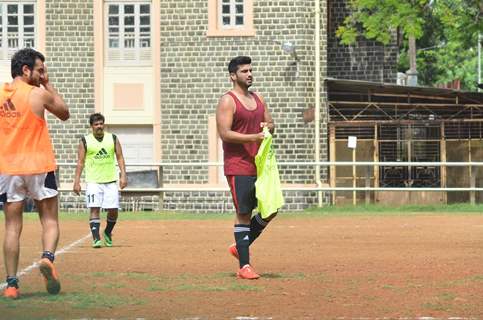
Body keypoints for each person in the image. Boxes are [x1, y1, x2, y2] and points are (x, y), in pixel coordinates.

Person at [0, 48, 70, 299]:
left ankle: (11, 285)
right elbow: (64, 113)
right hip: (39, 165)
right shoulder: (39, 95)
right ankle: (47, 258)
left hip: (8, 169)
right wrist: (48, 85)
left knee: (11, 227)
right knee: (50, 220)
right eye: (40, 70)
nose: (43, 75)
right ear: (26, 69)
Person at [216, 56, 277, 280]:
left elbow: (271, 124)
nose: (249, 74)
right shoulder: (227, 101)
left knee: (271, 208)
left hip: (260, 165)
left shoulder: (259, 98)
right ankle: (244, 266)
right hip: (238, 166)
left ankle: (241, 244)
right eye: (244, 71)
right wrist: (254, 136)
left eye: (251, 70)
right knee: (243, 213)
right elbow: (225, 133)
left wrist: (269, 127)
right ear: (233, 76)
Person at [73, 113, 127, 248]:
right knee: (94, 209)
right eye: (96, 124)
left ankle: (108, 232)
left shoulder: (113, 138)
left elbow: (120, 157)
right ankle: (96, 238)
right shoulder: (85, 140)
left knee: (113, 210)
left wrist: (123, 175)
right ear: (91, 126)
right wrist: (77, 181)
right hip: (93, 181)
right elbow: (80, 162)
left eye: (101, 124)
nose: (99, 126)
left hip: (110, 180)